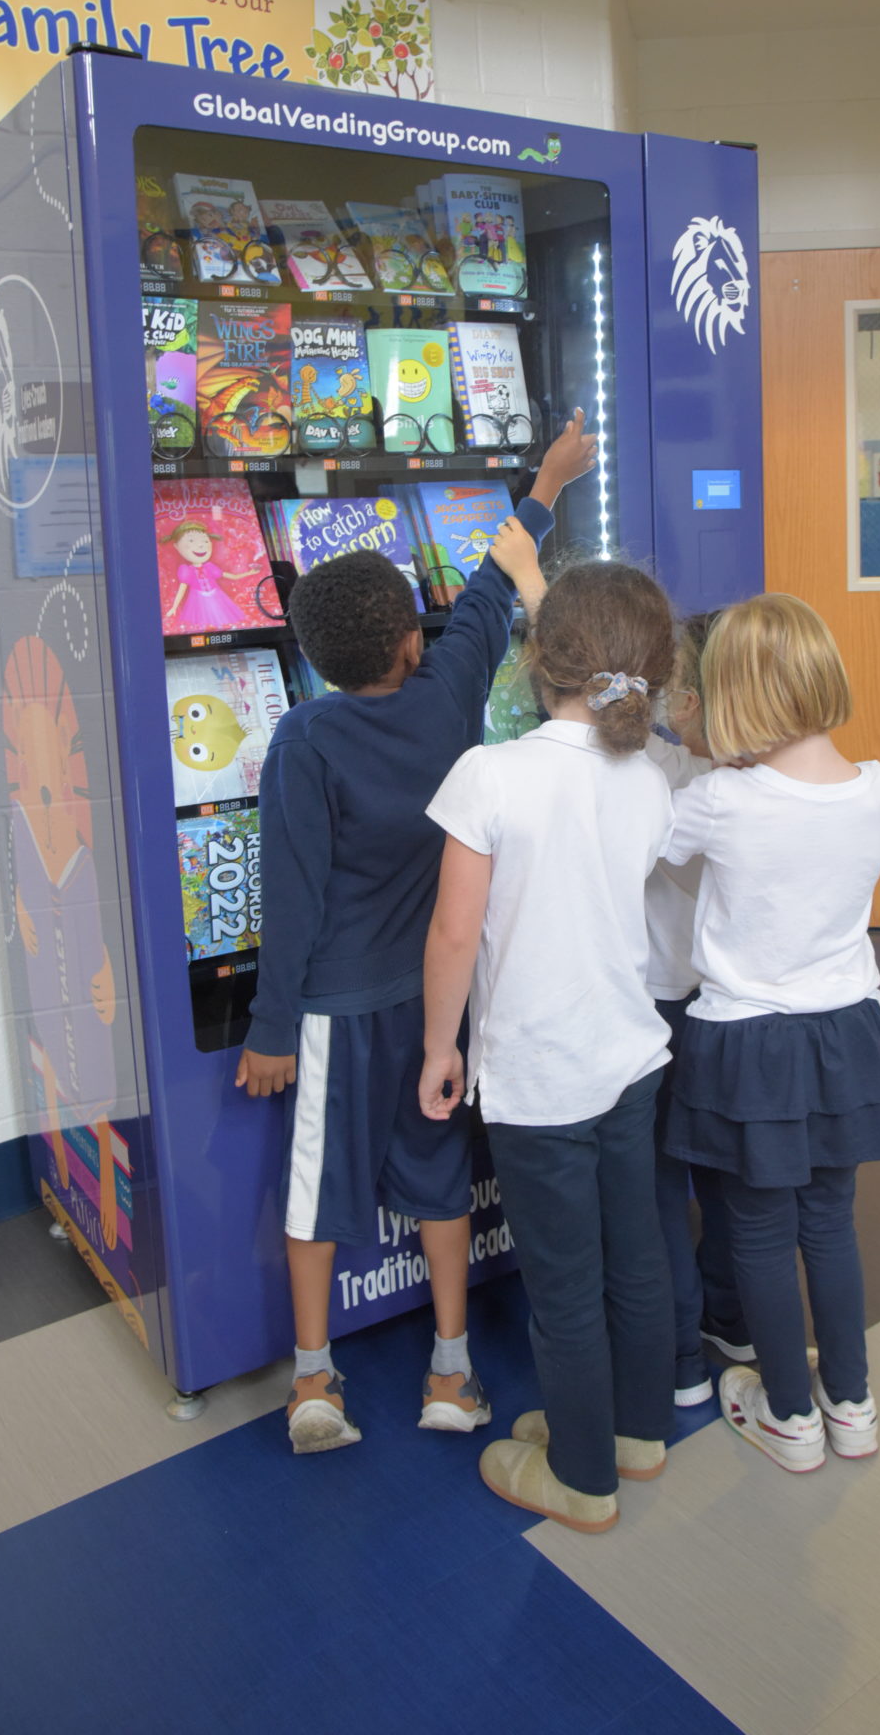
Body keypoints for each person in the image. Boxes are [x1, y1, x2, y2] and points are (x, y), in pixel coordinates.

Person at [235, 414, 595, 1455]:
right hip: (436, 1004)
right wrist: (545, 483)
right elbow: (487, 591)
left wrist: (267, 1029)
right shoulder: (447, 703)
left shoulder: (303, 738)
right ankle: (451, 1368)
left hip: (333, 1012)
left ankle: (313, 1381)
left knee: (315, 1190)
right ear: (408, 640)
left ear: (308, 655)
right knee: (439, 1177)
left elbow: (292, 895)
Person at [420, 556, 678, 1534]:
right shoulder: (648, 775)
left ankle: (579, 1476)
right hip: (630, 1056)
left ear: (533, 657)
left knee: (562, 1282)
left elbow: (453, 935)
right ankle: (633, 1434)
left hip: (538, 1074)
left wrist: (439, 1046)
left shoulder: (490, 773)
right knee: (636, 1257)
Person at [663, 594, 880, 1473]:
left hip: (749, 1042)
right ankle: (851, 1403)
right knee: (830, 1225)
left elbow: (634, 844)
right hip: (846, 1032)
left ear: (730, 693)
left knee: (759, 1231)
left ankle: (788, 1416)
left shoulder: (721, 800)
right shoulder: (875, 785)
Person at [645, 614, 751, 1406]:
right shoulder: (763, 781)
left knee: (655, 1187)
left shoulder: (661, 775)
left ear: (686, 698)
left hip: (652, 1004)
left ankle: (678, 1362)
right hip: (726, 1010)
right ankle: (735, 1323)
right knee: (725, 1181)